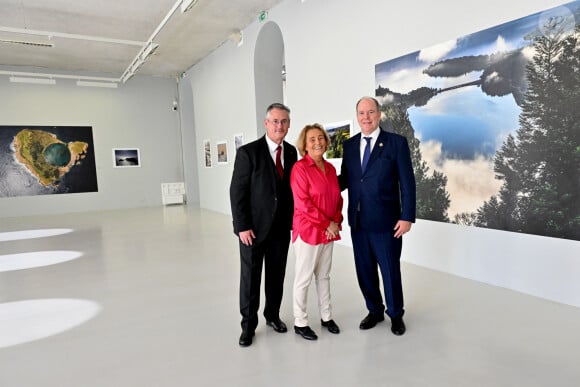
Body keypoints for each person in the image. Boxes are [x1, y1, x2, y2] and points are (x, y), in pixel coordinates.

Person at [339, 96, 416, 336]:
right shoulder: (350, 146)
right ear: (357, 116)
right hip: (359, 222)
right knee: (365, 270)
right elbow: (345, 179)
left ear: (379, 114)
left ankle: (395, 314)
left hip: (388, 223)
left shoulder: (396, 143)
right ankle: (374, 310)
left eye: (370, 112)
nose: (366, 117)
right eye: (361, 113)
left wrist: (407, 217)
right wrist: (317, 177)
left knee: (390, 270)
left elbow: (407, 183)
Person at [229, 102, 298, 347]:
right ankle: (248, 326)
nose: (280, 126)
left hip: (280, 229)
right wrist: (242, 226)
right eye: (275, 121)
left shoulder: (290, 152)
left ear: (289, 124)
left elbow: (291, 191)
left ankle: (272, 316)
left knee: (276, 276)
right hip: (253, 230)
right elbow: (237, 192)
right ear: (266, 123)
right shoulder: (248, 152)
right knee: (250, 278)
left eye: (284, 121)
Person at [290, 124, 343, 341]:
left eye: (321, 138)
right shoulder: (299, 169)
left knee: (323, 276)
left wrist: (336, 221)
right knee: (303, 279)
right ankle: (300, 322)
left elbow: (337, 199)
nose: (318, 142)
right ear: (304, 145)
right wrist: (327, 224)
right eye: (312, 139)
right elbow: (303, 204)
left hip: (328, 231)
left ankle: (327, 317)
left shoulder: (330, 169)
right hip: (308, 231)